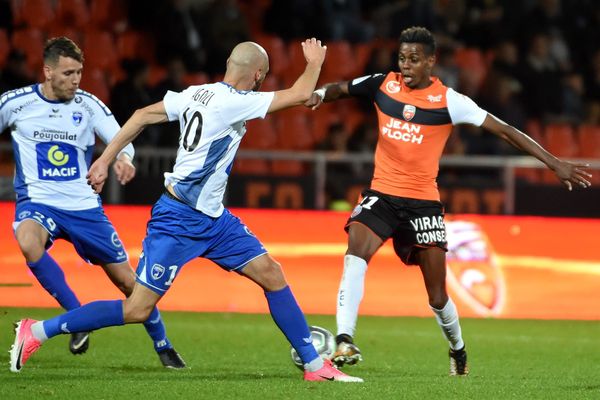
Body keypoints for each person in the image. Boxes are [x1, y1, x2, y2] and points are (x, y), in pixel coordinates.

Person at [10, 38, 363, 383]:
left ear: (228, 66)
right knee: (137, 309)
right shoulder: (236, 102)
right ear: (257, 76)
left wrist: (104, 158)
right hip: (178, 221)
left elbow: (141, 115)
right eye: (263, 77)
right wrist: (314, 63)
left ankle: (315, 365)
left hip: (214, 220)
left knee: (271, 274)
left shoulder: (196, 93)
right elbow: (300, 94)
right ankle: (39, 330)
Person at [305, 26, 592, 376]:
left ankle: (458, 348)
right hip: (381, 194)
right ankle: (345, 338)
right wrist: (319, 92)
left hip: (423, 205)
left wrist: (554, 163)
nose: (405, 65)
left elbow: (505, 130)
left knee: (437, 296)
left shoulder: (449, 101)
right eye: (401, 58)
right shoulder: (384, 83)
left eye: (413, 59)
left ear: (430, 61)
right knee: (355, 253)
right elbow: (343, 89)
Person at [2, 37, 185, 369]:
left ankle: (163, 345)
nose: (76, 80)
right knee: (28, 242)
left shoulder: (88, 105)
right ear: (47, 71)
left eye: (80, 72)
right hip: (38, 201)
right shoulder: (15, 103)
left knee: (129, 283)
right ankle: (76, 320)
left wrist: (123, 160)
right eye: (69, 72)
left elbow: (121, 138)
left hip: (84, 207)